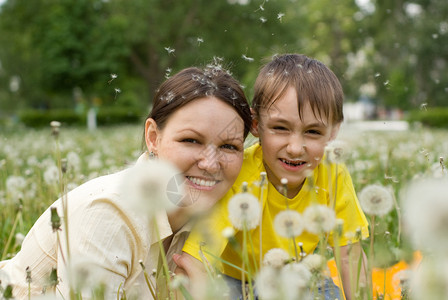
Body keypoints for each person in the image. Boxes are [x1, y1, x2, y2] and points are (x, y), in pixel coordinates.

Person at [0, 65, 252, 299]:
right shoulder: (107, 215)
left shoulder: (211, 220)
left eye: (229, 146)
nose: (210, 164)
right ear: (153, 137)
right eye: (191, 140)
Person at [176, 54, 369, 300]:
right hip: (235, 278)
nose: (295, 148)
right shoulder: (241, 174)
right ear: (255, 124)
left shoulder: (334, 175)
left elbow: (349, 256)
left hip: (298, 274)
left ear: (333, 131)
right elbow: (199, 258)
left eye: (312, 131)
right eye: (280, 128)